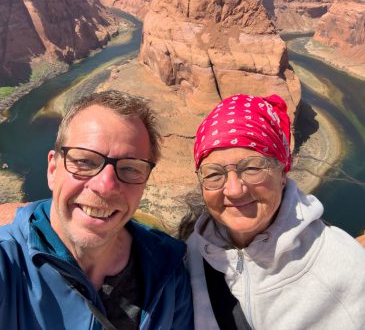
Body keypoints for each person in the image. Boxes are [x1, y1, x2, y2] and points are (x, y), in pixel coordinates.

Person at [0, 90, 193, 330]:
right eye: (84, 161)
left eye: (130, 168)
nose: (106, 186)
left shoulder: (169, 272)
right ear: (52, 170)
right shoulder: (8, 264)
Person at [181, 93, 365, 330]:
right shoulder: (191, 253)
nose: (234, 189)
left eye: (253, 167)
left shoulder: (347, 270)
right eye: (214, 174)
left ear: (282, 173)